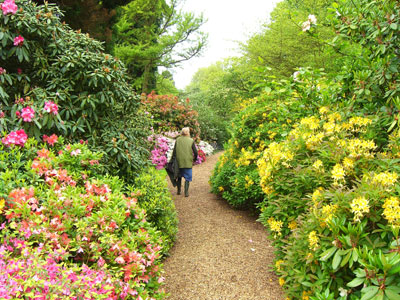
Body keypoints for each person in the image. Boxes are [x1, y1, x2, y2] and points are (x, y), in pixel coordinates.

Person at [172, 127, 198, 197]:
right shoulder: (191, 140)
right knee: (188, 177)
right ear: (188, 133)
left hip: (179, 161)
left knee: (179, 176)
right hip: (187, 162)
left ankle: (178, 191)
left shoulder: (178, 140)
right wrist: (195, 159)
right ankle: (186, 192)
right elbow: (195, 152)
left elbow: (174, 151)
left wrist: (172, 160)